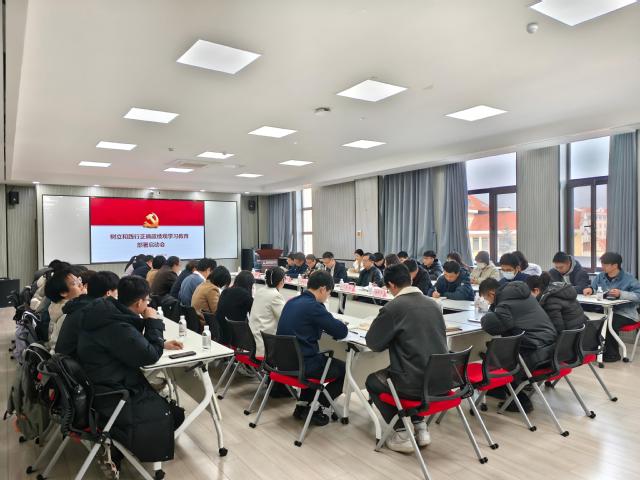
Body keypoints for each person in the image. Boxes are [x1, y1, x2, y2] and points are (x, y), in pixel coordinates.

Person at [77, 275, 183, 468]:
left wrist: (161, 342)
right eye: (147, 300)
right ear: (139, 303)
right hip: (114, 394)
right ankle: (119, 446)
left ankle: (118, 446)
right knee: (174, 415)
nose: (148, 304)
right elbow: (150, 356)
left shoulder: (107, 313)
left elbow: (128, 343)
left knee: (170, 408)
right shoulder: (117, 325)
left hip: (99, 383)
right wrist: (152, 321)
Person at [365, 264, 447, 452]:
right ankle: (421, 427)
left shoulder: (393, 307)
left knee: (373, 381)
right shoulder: (433, 304)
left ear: (391, 285)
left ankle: (402, 433)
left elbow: (374, 343)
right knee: (410, 369)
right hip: (440, 379)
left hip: (413, 384)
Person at [277, 271, 348, 426]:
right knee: (346, 369)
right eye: (329, 292)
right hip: (304, 365)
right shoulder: (314, 307)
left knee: (312, 355)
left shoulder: (291, 302)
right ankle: (317, 406)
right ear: (322, 289)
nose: (328, 296)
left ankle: (302, 405)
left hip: (283, 363)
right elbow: (341, 332)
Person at [479, 278, 557, 411]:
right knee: (502, 352)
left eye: (486, 299)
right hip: (549, 347)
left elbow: (494, 326)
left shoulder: (504, 304)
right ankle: (498, 389)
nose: (487, 302)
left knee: (496, 359)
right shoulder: (524, 295)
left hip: (534, 351)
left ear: (492, 294)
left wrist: (487, 315)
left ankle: (522, 401)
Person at [583, 252, 640, 362]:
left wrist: (621, 294)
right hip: (605, 310)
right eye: (602, 264)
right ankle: (595, 351)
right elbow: (594, 288)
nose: (602, 266)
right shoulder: (600, 276)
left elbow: (638, 295)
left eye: (605, 264)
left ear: (615, 265)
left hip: (625, 313)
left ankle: (612, 355)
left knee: (608, 322)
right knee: (592, 320)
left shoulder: (628, 278)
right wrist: (590, 290)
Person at [56, 271, 120, 357]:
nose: (117, 297)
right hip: (75, 361)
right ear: (108, 293)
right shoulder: (95, 310)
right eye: (116, 293)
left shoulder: (81, 305)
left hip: (66, 359)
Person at [44, 267, 85, 350]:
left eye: (79, 280)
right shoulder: (68, 313)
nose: (81, 285)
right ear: (63, 292)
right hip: (65, 355)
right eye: (75, 283)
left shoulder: (57, 307)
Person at [249, 267, 286, 357]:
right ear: (282, 281)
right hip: (265, 343)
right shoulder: (275, 295)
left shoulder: (260, 291)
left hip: (252, 339)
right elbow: (284, 319)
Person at [215, 271, 255, 344]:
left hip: (221, 333)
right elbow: (253, 314)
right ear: (250, 284)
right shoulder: (245, 296)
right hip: (236, 336)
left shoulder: (225, 291)